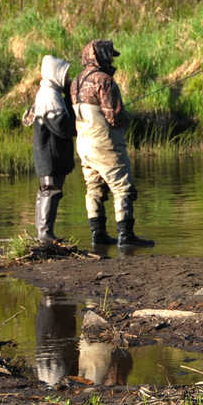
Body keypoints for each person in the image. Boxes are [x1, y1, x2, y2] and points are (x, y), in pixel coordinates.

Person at [70, 39, 154, 248]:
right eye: (110, 55)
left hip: (84, 145)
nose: (112, 59)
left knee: (93, 187)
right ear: (102, 56)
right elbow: (114, 117)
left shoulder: (76, 81)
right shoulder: (104, 81)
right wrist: (127, 116)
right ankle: (126, 236)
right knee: (122, 186)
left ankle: (98, 235)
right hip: (104, 143)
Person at [23, 55, 76, 245]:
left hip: (48, 153)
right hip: (50, 154)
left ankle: (44, 233)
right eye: (65, 74)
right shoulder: (50, 96)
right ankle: (45, 234)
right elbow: (62, 126)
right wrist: (75, 116)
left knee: (46, 190)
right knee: (50, 190)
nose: (67, 78)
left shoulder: (47, 92)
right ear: (55, 74)